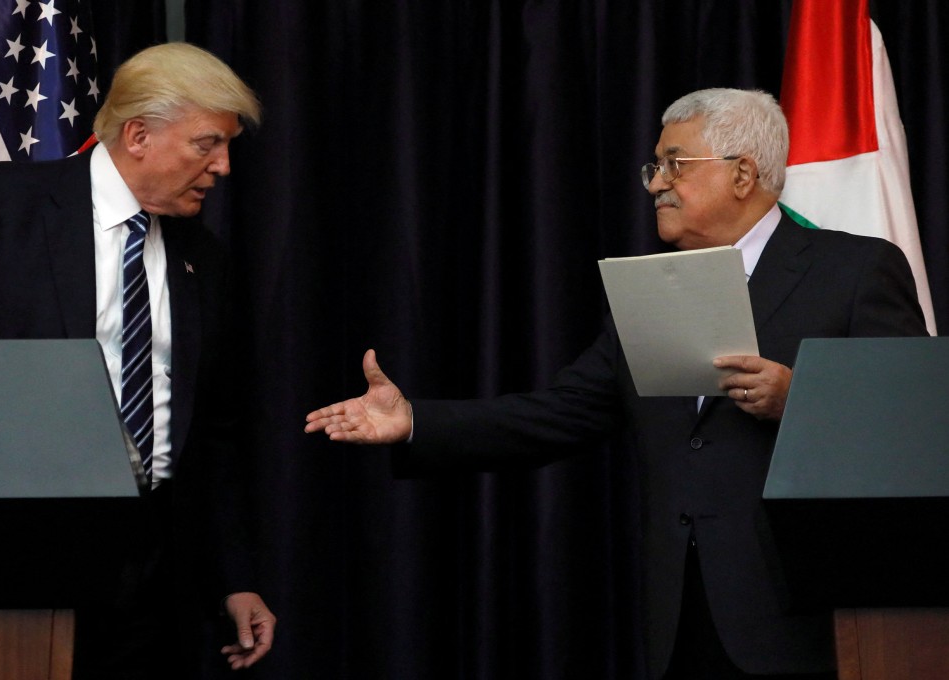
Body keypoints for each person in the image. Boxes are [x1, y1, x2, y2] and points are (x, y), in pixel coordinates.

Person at [304, 88, 928, 679]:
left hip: (810, 626)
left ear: (742, 174)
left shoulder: (854, 270)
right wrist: (415, 421)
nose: (657, 183)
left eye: (675, 165)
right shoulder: (655, 289)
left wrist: (802, 401)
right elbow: (561, 412)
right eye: (654, 167)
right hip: (677, 623)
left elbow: (916, 429)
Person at [0, 43, 275, 679]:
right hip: (15, 557)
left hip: (156, 568)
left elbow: (217, 436)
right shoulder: (2, 205)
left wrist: (235, 579)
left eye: (227, 147)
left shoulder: (206, 258)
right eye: (207, 144)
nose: (223, 166)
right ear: (139, 134)